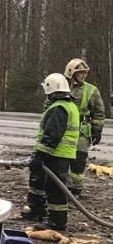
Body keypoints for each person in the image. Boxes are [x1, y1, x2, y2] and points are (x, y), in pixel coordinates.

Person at [23, 73, 80, 231]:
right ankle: (41, 212)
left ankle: (57, 222)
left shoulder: (58, 109)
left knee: (55, 190)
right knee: (47, 185)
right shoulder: (69, 106)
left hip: (56, 155)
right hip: (61, 155)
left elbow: (51, 136)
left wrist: (40, 156)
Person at [52, 58, 105, 197]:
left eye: (85, 73)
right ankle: (59, 186)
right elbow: (49, 106)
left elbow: (99, 112)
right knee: (60, 159)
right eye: (80, 72)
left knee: (79, 161)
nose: (83, 75)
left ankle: (75, 189)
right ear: (71, 73)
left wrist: (97, 131)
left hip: (82, 130)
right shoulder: (60, 87)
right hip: (62, 128)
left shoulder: (91, 90)